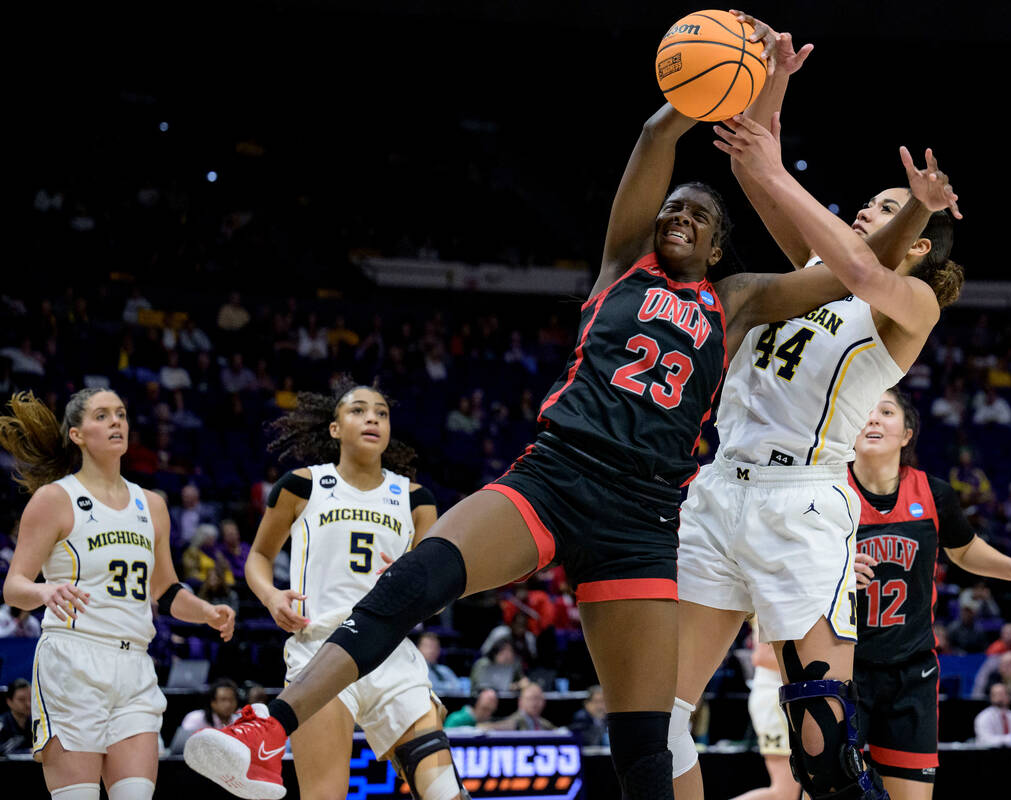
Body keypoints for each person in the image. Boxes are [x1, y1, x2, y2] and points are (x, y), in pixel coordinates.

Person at [183, 13, 897, 800]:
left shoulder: (737, 300)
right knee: (413, 583)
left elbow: (851, 274)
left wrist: (909, 209)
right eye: (672, 210)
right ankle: (264, 729)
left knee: (645, 749)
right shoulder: (624, 265)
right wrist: (718, 85)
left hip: (645, 516)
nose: (678, 216)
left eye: (697, 213)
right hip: (555, 475)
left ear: (720, 246)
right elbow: (658, 135)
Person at [673, 14, 964, 800]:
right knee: (659, 722)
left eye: (886, 210)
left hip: (800, 501)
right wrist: (773, 82)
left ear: (915, 245)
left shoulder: (905, 305)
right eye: (867, 201)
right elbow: (752, 166)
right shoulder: (813, 269)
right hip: (716, 492)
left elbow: (846, 256)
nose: (868, 211)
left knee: (823, 741)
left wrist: (775, 172)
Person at [187, 382, 460, 800]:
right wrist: (271, 596)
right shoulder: (302, 485)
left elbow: (437, 591)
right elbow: (258, 555)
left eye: (382, 413)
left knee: (444, 794)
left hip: (391, 652)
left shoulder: (416, 498)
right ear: (334, 429)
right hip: (321, 649)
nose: (372, 418)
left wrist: (417, 584)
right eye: (359, 411)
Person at [0, 389, 234, 800]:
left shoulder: (152, 504)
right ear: (76, 434)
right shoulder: (54, 499)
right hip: (73, 661)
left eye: (121, 414)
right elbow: (14, 588)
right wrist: (45, 588)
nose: (116, 422)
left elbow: (166, 589)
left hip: (134, 666)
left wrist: (206, 611)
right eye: (102, 415)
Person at [847, 390, 1011, 797]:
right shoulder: (826, 490)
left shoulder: (932, 493)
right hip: (842, 667)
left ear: (907, 434)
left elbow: (964, 548)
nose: (874, 419)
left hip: (910, 670)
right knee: (830, 790)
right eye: (865, 411)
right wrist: (832, 569)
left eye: (886, 412)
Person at [730, 629, 800, 800]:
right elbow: (762, 657)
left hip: (782, 699)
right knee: (784, 792)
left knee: (801, 790)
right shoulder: (777, 605)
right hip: (775, 700)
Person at [170, 679, 239, 754]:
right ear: (213, 702)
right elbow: (183, 746)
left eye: (231, 700)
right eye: (223, 700)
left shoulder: (240, 720)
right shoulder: (196, 718)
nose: (228, 704)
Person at [416, 632, 461, 697]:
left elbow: (458, 689)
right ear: (418, 649)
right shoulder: (417, 671)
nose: (432, 650)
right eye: (428, 646)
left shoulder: (445, 670)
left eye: (435, 647)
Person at [1, 678, 33, 755]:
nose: (28, 704)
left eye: (31, 699)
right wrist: (28, 751)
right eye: (21, 700)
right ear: (9, 702)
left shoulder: (36, 723)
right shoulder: (2, 724)